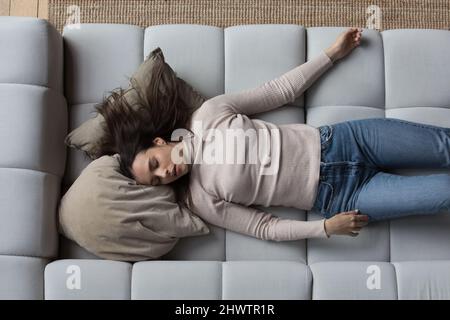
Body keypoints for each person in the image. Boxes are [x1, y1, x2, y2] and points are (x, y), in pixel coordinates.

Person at [97, 27, 450, 240]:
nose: (165, 173)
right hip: (342, 195)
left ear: (159, 142)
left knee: (445, 145)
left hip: (345, 140)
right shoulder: (201, 199)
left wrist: (332, 54)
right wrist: (326, 228)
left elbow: (279, 91)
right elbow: (266, 227)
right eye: (157, 181)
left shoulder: (209, 115)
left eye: (155, 163)